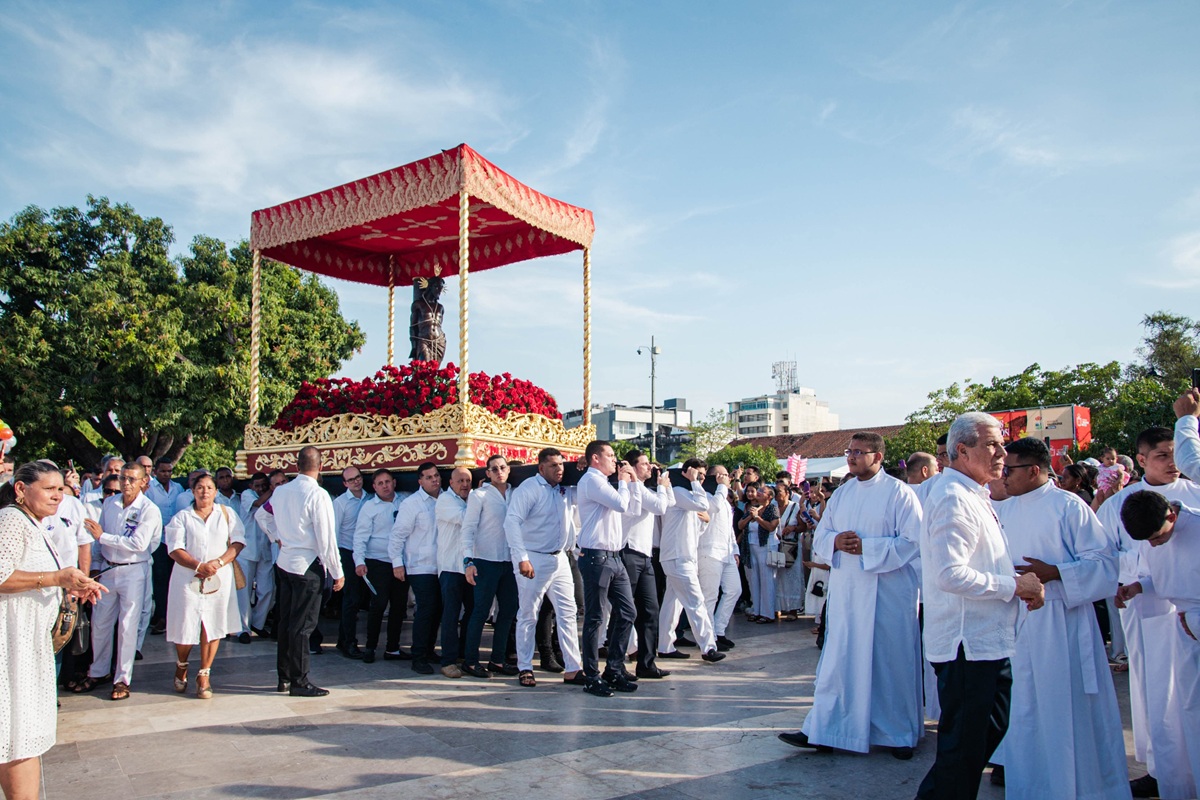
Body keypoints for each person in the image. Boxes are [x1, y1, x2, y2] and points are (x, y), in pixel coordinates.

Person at [916, 412, 1046, 799]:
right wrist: (1014, 585)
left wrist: (1018, 587)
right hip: (966, 644)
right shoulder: (953, 497)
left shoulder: (973, 494)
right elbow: (950, 575)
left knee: (975, 742)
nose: (1002, 453)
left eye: (1001, 443)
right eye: (992, 444)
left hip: (984, 640)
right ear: (962, 450)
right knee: (963, 749)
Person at [995, 438, 1128, 799]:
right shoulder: (1002, 511)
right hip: (1018, 624)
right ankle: (1031, 787)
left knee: (1066, 712)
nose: (1002, 476)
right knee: (1027, 710)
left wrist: (1056, 572)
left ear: (1034, 470)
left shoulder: (1068, 506)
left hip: (1063, 624)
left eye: (1010, 469)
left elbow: (1104, 565)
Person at [780, 432, 924, 759]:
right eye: (849, 452)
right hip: (847, 593)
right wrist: (835, 542)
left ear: (878, 456)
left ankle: (898, 734)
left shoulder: (900, 494)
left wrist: (867, 547)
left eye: (859, 452)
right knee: (838, 662)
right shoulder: (842, 494)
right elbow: (822, 536)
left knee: (890, 662)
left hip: (887, 594)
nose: (852, 457)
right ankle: (826, 729)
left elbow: (913, 542)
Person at [1096, 422, 1200, 798]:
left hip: (1188, 612)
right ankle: (1164, 771)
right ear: (1141, 459)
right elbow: (1104, 555)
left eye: (1175, 453)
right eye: (1161, 455)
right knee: (1159, 697)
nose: (1172, 462)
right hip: (1149, 612)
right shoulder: (1121, 505)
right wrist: (1138, 577)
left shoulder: (1196, 496)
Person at [0, 461, 104, 800]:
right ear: (20, 489)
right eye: (49, 488)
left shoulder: (38, 524)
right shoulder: (12, 522)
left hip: (29, 642)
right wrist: (56, 579)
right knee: (17, 732)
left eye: (61, 488)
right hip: (11, 641)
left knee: (24, 733)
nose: (58, 495)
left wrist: (69, 586)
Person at [1118, 490, 1200, 800]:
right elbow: (1166, 577)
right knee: (1190, 715)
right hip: (1184, 633)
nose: (1152, 545)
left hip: (1193, 624)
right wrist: (1139, 586)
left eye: (1156, 538)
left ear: (1172, 516)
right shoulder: (1151, 533)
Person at [77, 462, 162, 701]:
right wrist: (94, 564)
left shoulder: (149, 509)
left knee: (127, 626)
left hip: (133, 570)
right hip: (107, 568)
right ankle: (98, 671)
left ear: (144, 481)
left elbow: (139, 544)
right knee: (100, 623)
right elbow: (97, 541)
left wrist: (103, 537)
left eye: (132, 479)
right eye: (123, 478)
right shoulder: (111, 504)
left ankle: (122, 679)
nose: (126, 483)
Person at [504, 448, 585, 689]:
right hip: (534, 558)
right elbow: (512, 521)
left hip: (559, 558)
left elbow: (586, 493)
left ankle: (573, 668)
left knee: (568, 612)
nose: (559, 469)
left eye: (561, 465)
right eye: (553, 465)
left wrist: (583, 467)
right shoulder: (530, 488)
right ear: (541, 468)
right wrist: (522, 558)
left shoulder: (565, 490)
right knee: (529, 614)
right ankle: (525, 667)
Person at [271, 446, 345, 697]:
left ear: (297, 465)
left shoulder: (281, 491)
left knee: (286, 623)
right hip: (307, 565)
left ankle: (284, 677)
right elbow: (326, 538)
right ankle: (299, 680)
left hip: (285, 561)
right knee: (303, 626)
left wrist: (277, 537)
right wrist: (337, 571)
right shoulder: (318, 494)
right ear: (320, 466)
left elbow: (264, 515)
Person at [164, 473, 245, 699]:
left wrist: (218, 563)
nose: (205, 492)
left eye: (209, 487)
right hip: (187, 576)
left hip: (218, 576)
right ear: (193, 491)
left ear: (216, 491)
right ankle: (182, 664)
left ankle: (204, 674)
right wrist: (197, 565)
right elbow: (174, 548)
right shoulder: (182, 517)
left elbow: (238, 542)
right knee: (186, 622)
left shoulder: (226, 514)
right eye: (200, 487)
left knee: (213, 623)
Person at [576, 440, 639, 697]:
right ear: (595, 459)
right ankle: (591, 675)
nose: (615, 460)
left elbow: (630, 508)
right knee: (595, 617)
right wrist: (623, 482)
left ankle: (614, 668)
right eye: (610, 455)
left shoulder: (606, 484)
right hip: (596, 557)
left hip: (614, 556)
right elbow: (622, 504)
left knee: (627, 612)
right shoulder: (592, 481)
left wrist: (631, 482)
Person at [657, 458, 725, 664]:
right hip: (678, 557)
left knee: (672, 605)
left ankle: (665, 646)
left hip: (684, 556)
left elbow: (695, 528)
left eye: (703, 477)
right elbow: (703, 504)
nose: (701, 480)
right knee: (696, 602)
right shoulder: (679, 492)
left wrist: (704, 521)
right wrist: (694, 482)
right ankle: (708, 647)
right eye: (698, 475)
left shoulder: (689, 494)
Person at [461, 455, 519, 677]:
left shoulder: (516, 493)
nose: (499, 472)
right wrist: (468, 560)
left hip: (510, 561)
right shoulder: (480, 495)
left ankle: (498, 659)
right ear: (487, 473)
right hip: (485, 560)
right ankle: (471, 660)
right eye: (494, 469)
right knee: (480, 612)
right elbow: (468, 528)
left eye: (503, 467)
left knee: (507, 612)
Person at [619, 450, 674, 678]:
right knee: (625, 612)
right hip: (629, 552)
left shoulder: (646, 489)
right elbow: (660, 506)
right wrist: (661, 486)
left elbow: (667, 503)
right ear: (632, 467)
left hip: (645, 556)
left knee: (650, 610)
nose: (649, 468)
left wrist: (664, 485)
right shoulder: (636, 487)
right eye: (643, 464)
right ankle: (618, 662)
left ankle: (647, 662)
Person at [390, 462, 443, 675]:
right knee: (426, 609)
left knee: (437, 610)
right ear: (420, 481)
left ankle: (429, 650)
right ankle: (418, 655)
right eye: (429, 477)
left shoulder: (447, 499)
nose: (434, 480)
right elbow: (398, 535)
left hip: (442, 565)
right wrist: (397, 562)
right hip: (420, 565)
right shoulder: (412, 503)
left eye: (436, 475)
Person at [352, 469, 406, 664]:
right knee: (379, 604)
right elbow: (360, 536)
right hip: (377, 561)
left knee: (399, 606)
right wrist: (359, 561)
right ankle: (371, 647)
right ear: (374, 487)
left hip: (400, 561)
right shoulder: (369, 507)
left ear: (394, 483)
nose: (385, 486)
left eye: (388, 482)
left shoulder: (404, 502)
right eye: (380, 483)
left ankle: (393, 647)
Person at [436, 467, 477, 678]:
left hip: (470, 567)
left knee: (472, 612)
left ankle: (464, 653)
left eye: (468, 480)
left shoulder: (472, 499)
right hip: (451, 567)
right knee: (451, 614)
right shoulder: (445, 501)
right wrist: (480, 500)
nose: (464, 484)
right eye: (460, 480)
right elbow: (468, 519)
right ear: (450, 483)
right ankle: (448, 660)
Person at [698, 464, 740, 652]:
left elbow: (729, 527)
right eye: (722, 475)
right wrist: (722, 487)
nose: (726, 478)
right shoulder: (706, 496)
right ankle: (709, 639)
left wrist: (735, 549)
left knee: (734, 590)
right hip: (709, 550)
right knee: (710, 597)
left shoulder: (724, 498)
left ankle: (718, 630)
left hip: (727, 551)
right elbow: (711, 508)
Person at [333, 465, 367, 659]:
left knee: (358, 600)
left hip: (363, 552)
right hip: (347, 551)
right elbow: (335, 533)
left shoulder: (369, 497)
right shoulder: (340, 503)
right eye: (351, 479)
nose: (356, 481)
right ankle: (348, 642)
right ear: (345, 483)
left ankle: (342, 638)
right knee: (351, 599)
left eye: (358, 477)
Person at [235, 472, 275, 642]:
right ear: (251, 486)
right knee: (243, 592)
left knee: (267, 590)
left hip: (265, 550)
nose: (260, 489)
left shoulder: (272, 496)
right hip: (247, 551)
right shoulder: (247, 495)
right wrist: (273, 489)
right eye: (257, 486)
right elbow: (257, 504)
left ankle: (257, 624)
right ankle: (242, 629)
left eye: (263, 486)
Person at [739, 481, 779, 622]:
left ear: (769, 496)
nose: (759, 492)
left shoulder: (772, 509)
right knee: (754, 579)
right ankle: (757, 609)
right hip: (751, 547)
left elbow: (771, 527)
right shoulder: (753, 508)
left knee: (767, 579)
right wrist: (751, 516)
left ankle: (768, 613)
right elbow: (740, 524)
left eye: (762, 491)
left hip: (766, 547)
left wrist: (758, 518)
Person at [773, 482, 806, 618]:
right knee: (777, 576)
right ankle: (778, 607)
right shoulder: (772, 507)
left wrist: (793, 528)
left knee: (792, 576)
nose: (777, 495)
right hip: (776, 545)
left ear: (787, 493)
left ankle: (793, 609)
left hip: (791, 546)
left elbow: (803, 526)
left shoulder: (795, 507)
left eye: (779, 492)